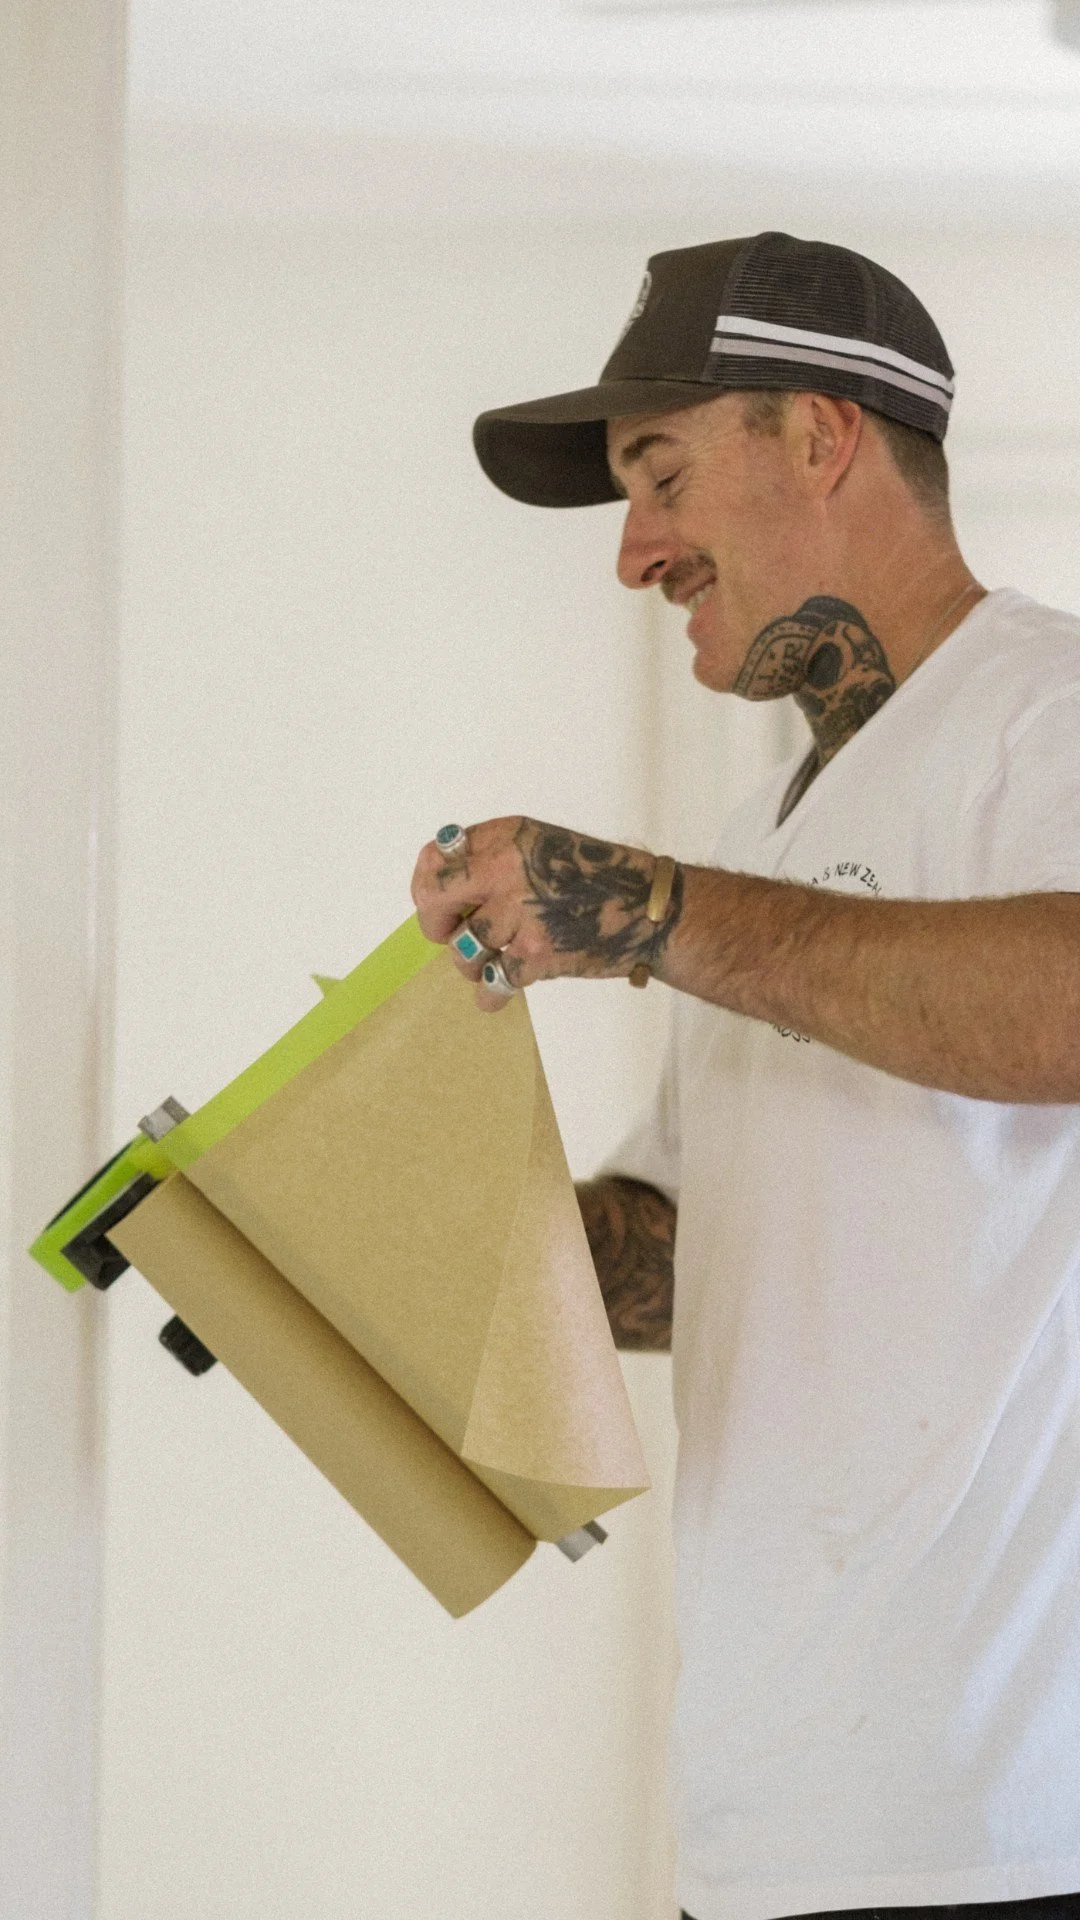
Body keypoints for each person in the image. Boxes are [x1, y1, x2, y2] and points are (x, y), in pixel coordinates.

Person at [410, 233, 1080, 1920]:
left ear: (822, 436)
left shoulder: (1047, 712)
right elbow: (692, 1250)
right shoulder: (769, 827)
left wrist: (647, 913)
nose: (634, 550)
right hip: (772, 1813)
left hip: (1003, 1817)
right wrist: (362, 1231)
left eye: (659, 473)